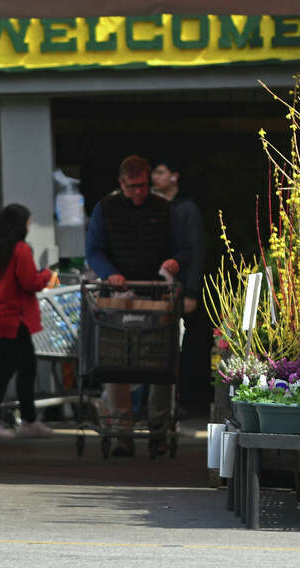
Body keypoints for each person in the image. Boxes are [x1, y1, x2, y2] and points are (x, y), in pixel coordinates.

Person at [85, 155, 187, 456]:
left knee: (160, 362)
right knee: (116, 361)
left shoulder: (164, 209)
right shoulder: (106, 208)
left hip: (155, 290)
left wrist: (175, 261)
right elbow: (94, 250)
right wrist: (109, 273)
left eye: (143, 186)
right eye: (132, 187)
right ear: (121, 184)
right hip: (120, 291)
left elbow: (181, 246)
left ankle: (157, 427)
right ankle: (122, 431)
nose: (139, 193)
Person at [0, 204, 60, 439]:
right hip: (15, 318)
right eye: (28, 223)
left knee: (18, 367)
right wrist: (47, 275)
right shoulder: (20, 250)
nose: (29, 227)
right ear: (20, 226)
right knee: (13, 369)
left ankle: (21, 420)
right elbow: (30, 282)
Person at [151, 158, 206, 414]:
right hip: (161, 285)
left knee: (183, 344)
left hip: (182, 285)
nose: (155, 177)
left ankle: (184, 399)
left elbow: (195, 251)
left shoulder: (186, 209)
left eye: (160, 172)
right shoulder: (156, 206)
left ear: (174, 176)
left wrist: (192, 291)